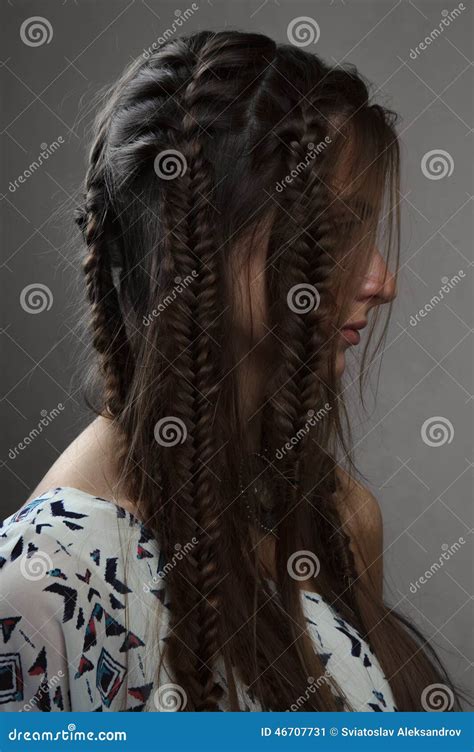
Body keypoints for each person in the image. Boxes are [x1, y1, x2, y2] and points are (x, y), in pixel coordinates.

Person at [0, 30, 461, 712]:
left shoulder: (337, 520)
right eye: (331, 234)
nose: (381, 281)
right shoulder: (37, 582)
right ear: (198, 244)